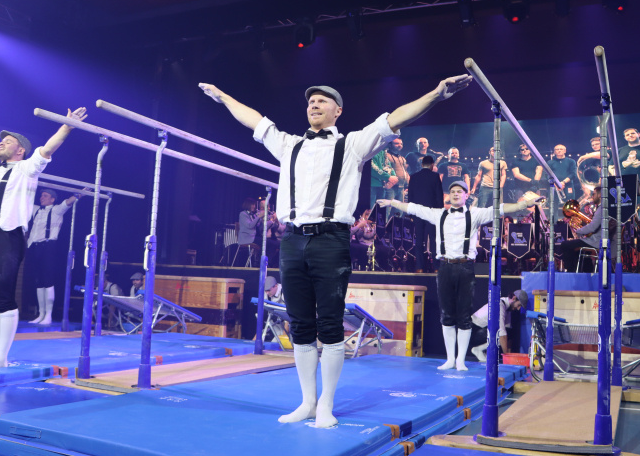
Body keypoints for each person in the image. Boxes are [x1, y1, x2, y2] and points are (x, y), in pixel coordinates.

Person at [199, 73, 472, 428]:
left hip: (331, 240)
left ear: (337, 111)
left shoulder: (353, 144)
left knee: (329, 323)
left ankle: (326, 404)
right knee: (300, 323)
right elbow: (254, 119)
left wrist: (435, 94)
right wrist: (223, 96)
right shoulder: (288, 144)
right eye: (310, 101)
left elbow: (395, 119)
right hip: (293, 241)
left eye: (322, 101)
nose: (313, 104)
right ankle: (307, 402)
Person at [0, 107, 88, 369]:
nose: (1, 143)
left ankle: (1, 358)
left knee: (4, 296)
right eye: (1, 141)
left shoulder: (27, 168)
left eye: (8, 141)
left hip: (9, 235)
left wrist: (66, 126)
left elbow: (47, 149)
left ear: (20, 150)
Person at [377, 181, 540, 371]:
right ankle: (450, 359)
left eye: (459, 191)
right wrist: (392, 202)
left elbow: (500, 209)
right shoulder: (439, 214)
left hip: (465, 267)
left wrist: (525, 204)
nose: (455, 194)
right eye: (453, 191)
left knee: (463, 316)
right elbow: (415, 208)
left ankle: (460, 360)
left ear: (466, 195)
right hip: (445, 267)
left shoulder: (475, 214)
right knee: (447, 315)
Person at [26, 188, 79, 325]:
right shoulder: (36, 209)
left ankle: (48, 315)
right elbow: (24, 201)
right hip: (34, 246)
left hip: (48, 246)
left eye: (45, 196)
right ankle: (41, 313)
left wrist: (80, 194)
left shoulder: (56, 210)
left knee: (48, 280)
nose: (42, 197)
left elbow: (68, 202)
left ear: (52, 199)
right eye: (41, 195)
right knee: (38, 282)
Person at [559, 187, 617, 272]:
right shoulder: (605, 207)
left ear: (600, 195)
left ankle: (570, 271)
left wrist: (578, 231)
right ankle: (585, 270)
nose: (592, 196)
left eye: (594, 194)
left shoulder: (602, 208)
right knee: (575, 246)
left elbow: (592, 227)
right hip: (598, 240)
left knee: (565, 245)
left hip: (596, 241)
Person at [407, 155, 444, 272]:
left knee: (419, 241)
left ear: (422, 164)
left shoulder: (413, 177)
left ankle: (419, 267)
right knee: (433, 240)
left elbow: (410, 196)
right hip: (431, 213)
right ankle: (436, 267)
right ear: (432, 165)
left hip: (417, 213)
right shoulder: (435, 176)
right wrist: (439, 212)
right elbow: (439, 196)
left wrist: (411, 214)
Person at [470, 289, 528, 362]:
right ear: (514, 298)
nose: (518, 309)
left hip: (479, 330)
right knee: (500, 333)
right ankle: (478, 349)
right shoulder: (499, 305)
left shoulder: (507, 308)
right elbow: (502, 334)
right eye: (519, 305)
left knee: (508, 332)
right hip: (473, 332)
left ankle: (479, 350)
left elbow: (508, 334)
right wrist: (507, 358)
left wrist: (509, 354)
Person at [617, 128, 640, 224]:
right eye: (627, 135)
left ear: (638, 134)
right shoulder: (620, 150)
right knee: (627, 211)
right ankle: (630, 231)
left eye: (632, 133)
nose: (630, 135)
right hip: (626, 182)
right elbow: (612, 166)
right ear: (625, 138)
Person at [547, 144, 577, 221]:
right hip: (554, 186)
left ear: (565, 151)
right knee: (553, 206)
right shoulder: (550, 162)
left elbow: (573, 174)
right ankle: (554, 223)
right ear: (554, 152)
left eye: (561, 149)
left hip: (568, 185)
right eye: (557, 149)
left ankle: (570, 223)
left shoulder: (571, 161)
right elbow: (547, 175)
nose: (559, 150)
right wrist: (555, 184)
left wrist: (563, 182)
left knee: (570, 206)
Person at [384, 138, 410, 205]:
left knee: (399, 209)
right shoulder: (385, 156)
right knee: (388, 208)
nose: (399, 145)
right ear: (390, 145)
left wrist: (408, 184)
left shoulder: (402, 158)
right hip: (390, 188)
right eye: (396, 143)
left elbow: (405, 171)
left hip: (401, 187)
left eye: (401, 144)